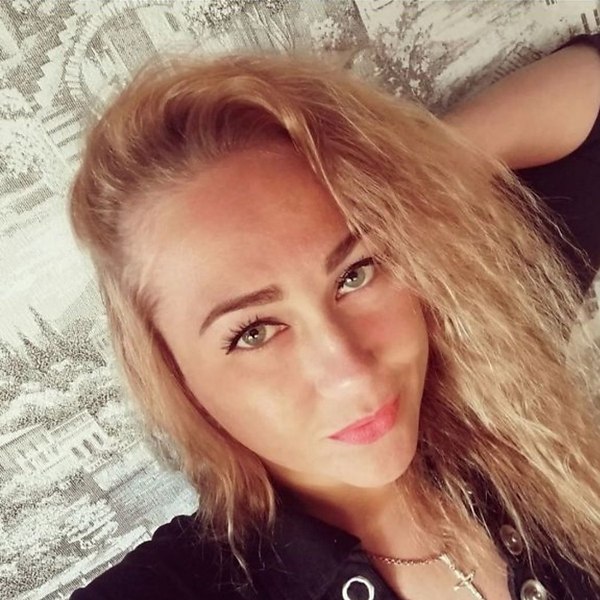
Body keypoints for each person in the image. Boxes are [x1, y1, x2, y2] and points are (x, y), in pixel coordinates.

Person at [67, 31, 600, 600]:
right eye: (254, 332)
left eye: (355, 274)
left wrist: (414, 187)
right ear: (175, 375)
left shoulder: (486, 352)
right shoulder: (176, 587)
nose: (351, 372)